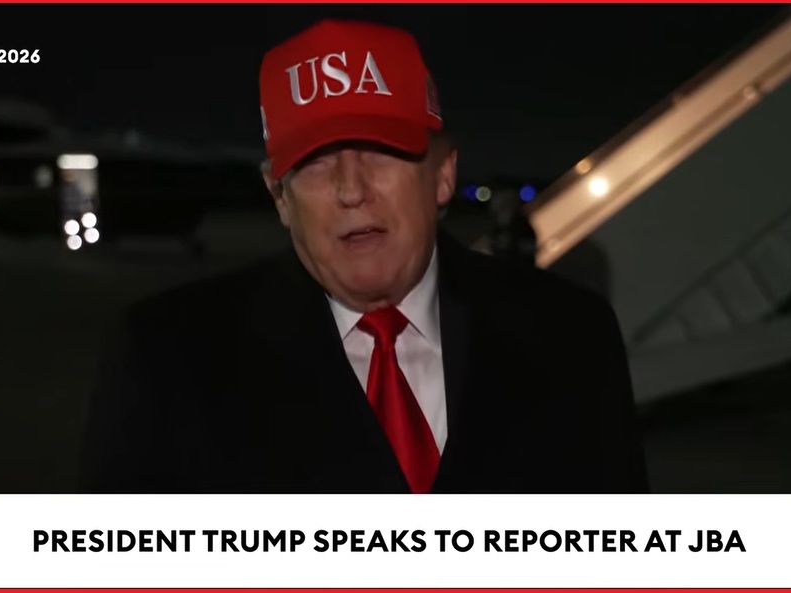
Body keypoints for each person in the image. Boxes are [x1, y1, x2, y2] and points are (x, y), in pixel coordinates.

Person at [79, 18, 649, 494]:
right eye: (316, 162)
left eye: (380, 151)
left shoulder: (574, 336)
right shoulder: (165, 360)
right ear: (279, 196)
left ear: (443, 175)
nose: (351, 189)